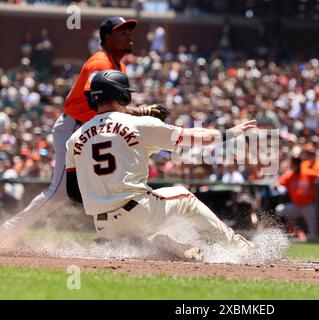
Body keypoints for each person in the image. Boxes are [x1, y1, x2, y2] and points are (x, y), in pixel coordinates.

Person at [0, 17, 169, 248]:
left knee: (111, 182)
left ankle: (116, 235)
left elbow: (111, 109)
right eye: (123, 32)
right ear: (107, 38)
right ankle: (7, 233)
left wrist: (139, 114)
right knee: (60, 192)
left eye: (130, 31)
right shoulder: (99, 62)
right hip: (75, 126)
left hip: (95, 130)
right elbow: (94, 101)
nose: (130, 35)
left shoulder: (118, 65)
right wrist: (140, 112)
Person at [65, 70, 256, 260]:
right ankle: (237, 246)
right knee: (185, 198)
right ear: (122, 94)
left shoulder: (75, 138)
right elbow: (192, 137)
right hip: (138, 210)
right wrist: (228, 133)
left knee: (145, 231)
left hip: (103, 226)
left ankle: (156, 244)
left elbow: (73, 192)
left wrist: (105, 200)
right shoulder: (136, 124)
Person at [274, 148, 319, 239]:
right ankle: (287, 232)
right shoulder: (289, 175)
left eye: (298, 162)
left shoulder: (307, 173)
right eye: (295, 162)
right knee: (279, 210)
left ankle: (314, 240)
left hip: (308, 206)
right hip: (296, 206)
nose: (296, 164)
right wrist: (279, 187)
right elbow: (277, 184)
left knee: (314, 230)